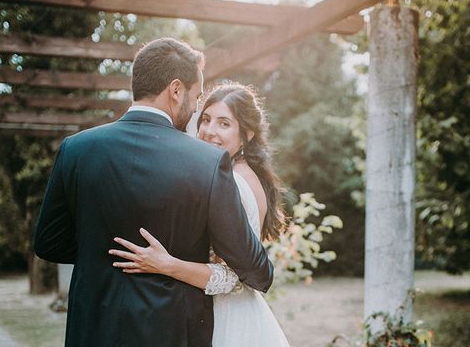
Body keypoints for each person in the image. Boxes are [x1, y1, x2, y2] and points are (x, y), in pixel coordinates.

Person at [34, 39, 273, 347]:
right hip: (171, 331)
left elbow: (48, 244)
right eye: (196, 96)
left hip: (92, 328)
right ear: (176, 90)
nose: (195, 108)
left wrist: (103, 249)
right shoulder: (208, 162)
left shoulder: (76, 149)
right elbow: (256, 271)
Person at [109, 83, 291, 347]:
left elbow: (231, 278)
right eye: (206, 119)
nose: (209, 131)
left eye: (224, 124)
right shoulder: (246, 173)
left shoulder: (234, 183)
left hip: (227, 320)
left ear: (247, 134)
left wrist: (165, 264)